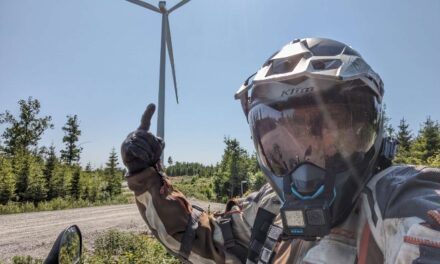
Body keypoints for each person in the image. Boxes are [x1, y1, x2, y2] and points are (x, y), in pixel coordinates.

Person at [121, 38, 440, 264]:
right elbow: (201, 238)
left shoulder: (396, 201)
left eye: (331, 130)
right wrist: (147, 177)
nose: (307, 163)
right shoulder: (268, 207)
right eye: (285, 144)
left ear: (365, 131)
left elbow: (424, 227)